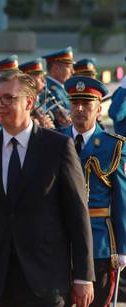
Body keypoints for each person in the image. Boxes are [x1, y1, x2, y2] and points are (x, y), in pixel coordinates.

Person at [0, 71, 95, 307]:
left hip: (46, 278)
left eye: (9, 98)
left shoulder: (57, 147)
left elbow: (78, 216)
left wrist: (83, 276)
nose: (0, 105)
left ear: (29, 102)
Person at [61, 76, 126, 307]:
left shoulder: (113, 145)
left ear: (99, 109)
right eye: (75, 103)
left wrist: (123, 248)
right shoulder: (55, 140)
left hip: (98, 240)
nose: (79, 109)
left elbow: (121, 199)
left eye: (86, 104)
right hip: (59, 239)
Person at [41, 47, 74, 127]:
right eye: (69, 67)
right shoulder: (48, 90)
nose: (72, 71)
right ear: (56, 68)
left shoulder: (62, 88)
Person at [19, 58, 55, 129]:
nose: (44, 81)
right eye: (40, 77)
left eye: (43, 77)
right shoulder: (22, 103)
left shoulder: (38, 100)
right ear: (28, 79)